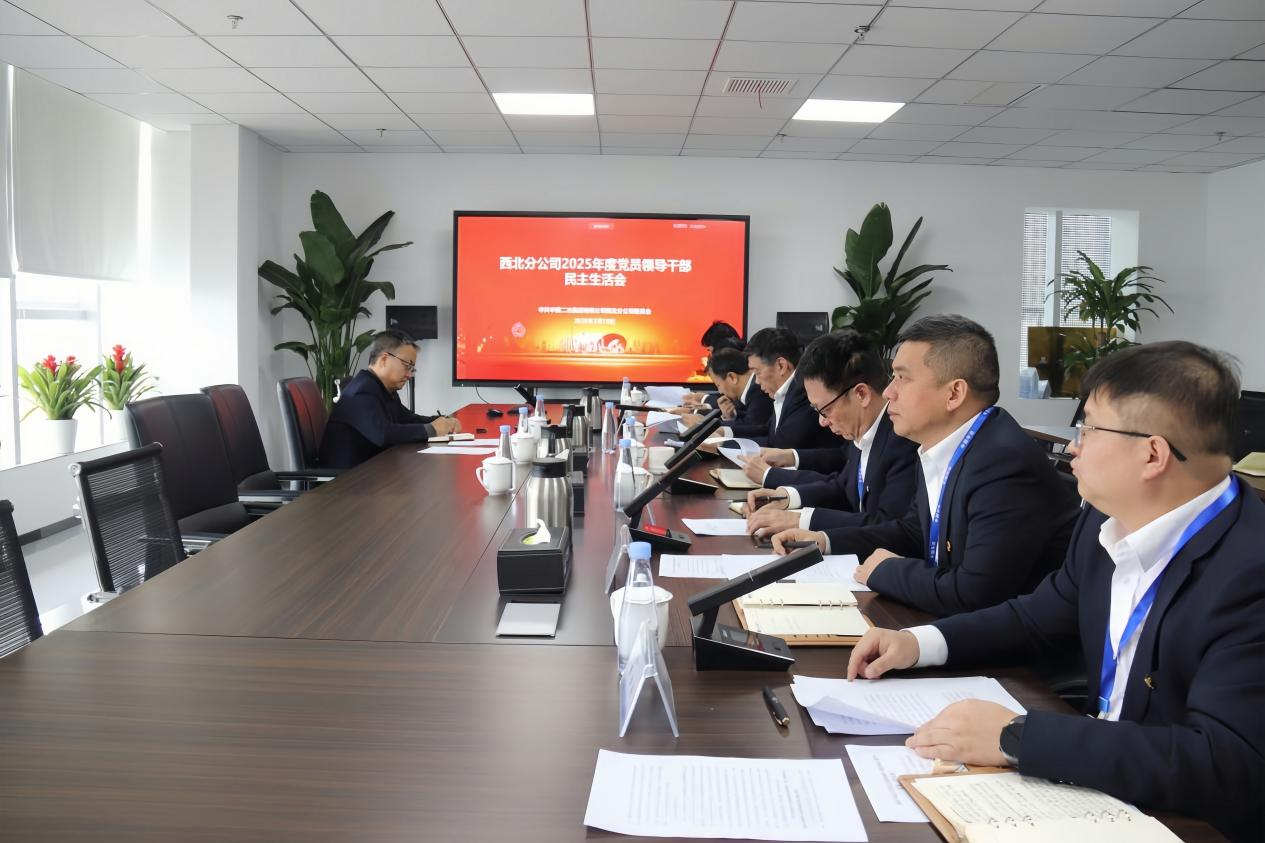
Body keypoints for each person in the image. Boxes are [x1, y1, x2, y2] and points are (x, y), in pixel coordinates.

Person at [846, 341, 1264, 843]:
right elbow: (1038, 617)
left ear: (1152, 454)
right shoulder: (1106, 521)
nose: (1072, 447)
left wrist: (1017, 737)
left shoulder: (1249, 571)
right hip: (1097, 790)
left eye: (1089, 428)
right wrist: (919, 642)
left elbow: (1224, 762)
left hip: (1185, 822)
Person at [771, 315, 1080, 617]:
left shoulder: (1003, 462)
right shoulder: (943, 444)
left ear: (954, 393)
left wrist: (887, 571)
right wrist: (826, 541)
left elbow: (975, 594)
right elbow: (914, 531)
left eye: (902, 378)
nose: (888, 392)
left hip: (1014, 646)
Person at [744, 330, 918, 536]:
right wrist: (785, 497)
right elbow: (844, 488)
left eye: (825, 410)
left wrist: (800, 520)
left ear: (861, 394)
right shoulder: (864, 428)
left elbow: (887, 524)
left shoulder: (903, 440)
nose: (822, 421)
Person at [317, 329, 461, 469]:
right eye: (407, 366)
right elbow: (383, 434)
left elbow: (407, 418)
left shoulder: (381, 387)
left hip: (372, 469)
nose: (409, 375)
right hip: (347, 479)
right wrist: (432, 429)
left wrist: (442, 421)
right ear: (384, 359)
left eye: (412, 369)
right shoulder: (362, 391)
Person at [724, 327, 838, 451]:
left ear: (781, 366)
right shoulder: (786, 391)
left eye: (757, 372)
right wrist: (725, 432)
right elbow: (768, 430)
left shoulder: (803, 392)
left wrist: (721, 444)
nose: (756, 381)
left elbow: (780, 445)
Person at [693, 346, 772, 433]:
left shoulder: (758, 390)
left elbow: (753, 428)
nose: (720, 392)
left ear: (732, 377)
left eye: (718, 385)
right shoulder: (750, 390)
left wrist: (703, 425)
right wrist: (730, 417)